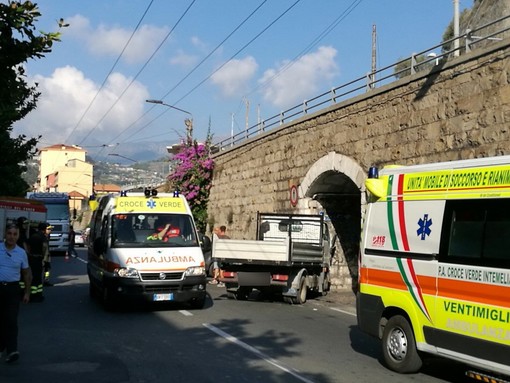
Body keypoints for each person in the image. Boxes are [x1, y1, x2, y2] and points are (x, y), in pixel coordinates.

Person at [0, 223, 32, 363]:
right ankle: (1, 346)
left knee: (11, 320)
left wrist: (27, 292)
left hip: (13, 290)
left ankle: (12, 350)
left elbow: (26, 273)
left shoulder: (21, 253)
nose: (12, 237)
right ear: (5, 235)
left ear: (18, 236)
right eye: (9, 233)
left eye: (15, 234)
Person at [26, 222, 50, 301]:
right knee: (37, 278)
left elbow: (27, 246)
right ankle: (37, 295)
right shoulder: (43, 237)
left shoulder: (33, 236)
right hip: (39, 259)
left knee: (33, 276)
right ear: (44, 229)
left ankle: (33, 294)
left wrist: (29, 254)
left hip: (31, 258)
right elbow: (44, 248)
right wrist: (45, 259)